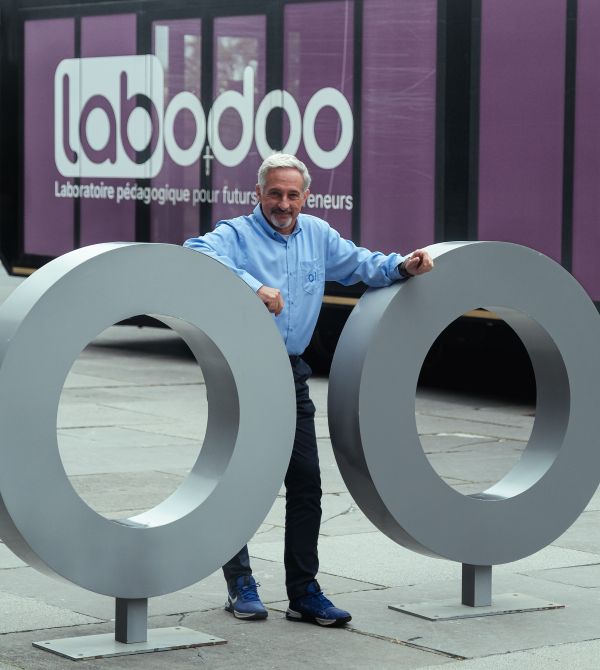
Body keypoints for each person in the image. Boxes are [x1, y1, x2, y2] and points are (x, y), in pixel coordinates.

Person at [184, 153, 433, 627]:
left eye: (292, 195)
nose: (283, 203)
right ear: (258, 194)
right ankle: (241, 585)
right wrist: (252, 285)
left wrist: (403, 265)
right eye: (275, 193)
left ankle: (303, 592)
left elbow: (362, 264)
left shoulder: (317, 234)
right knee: (240, 480)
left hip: (291, 373)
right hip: (245, 370)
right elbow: (195, 251)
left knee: (305, 483)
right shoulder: (236, 234)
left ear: (306, 197)